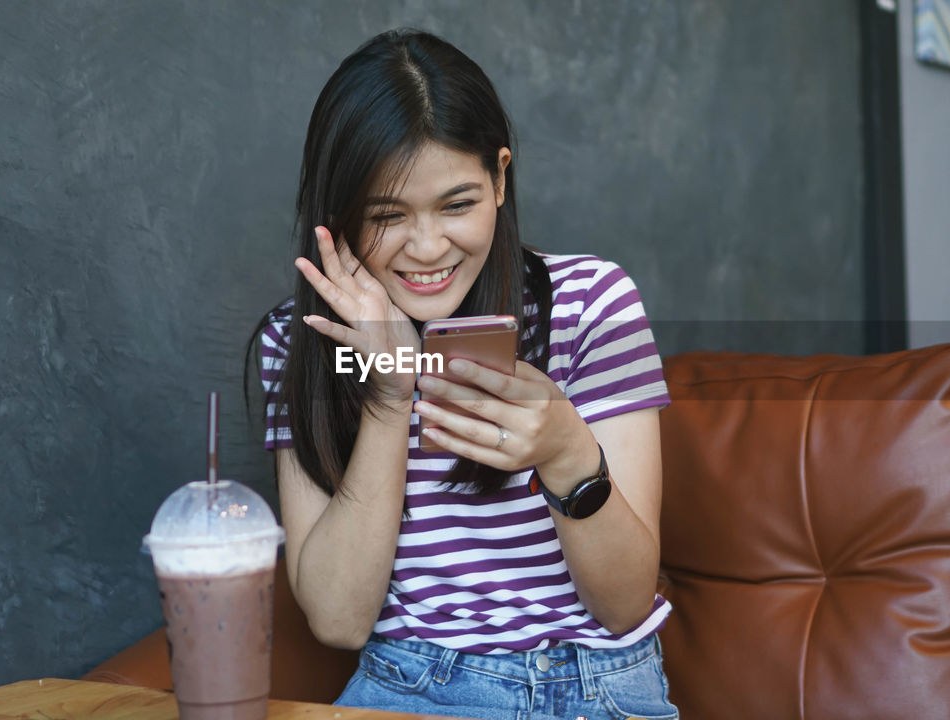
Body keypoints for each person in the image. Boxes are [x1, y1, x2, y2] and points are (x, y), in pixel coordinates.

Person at [253, 28, 678, 720]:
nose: (428, 248)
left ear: (501, 178)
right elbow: (337, 619)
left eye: (457, 204)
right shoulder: (306, 342)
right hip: (405, 687)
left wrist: (568, 452)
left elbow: (625, 604)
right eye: (387, 216)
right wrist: (390, 398)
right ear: (338, 217)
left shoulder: (591, 305)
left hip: (596, 687)